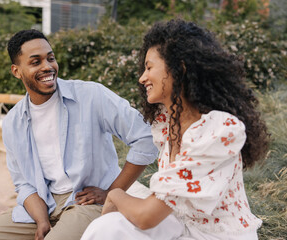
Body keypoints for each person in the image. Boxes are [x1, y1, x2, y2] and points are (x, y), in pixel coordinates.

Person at [81, 19, 269, 240]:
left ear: (179, 68)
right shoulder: (166, 123)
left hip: (215, 236)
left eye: (149, 67)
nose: (142, 78)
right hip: (180, 226)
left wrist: (114, 194)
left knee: (114, 220)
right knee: (108, 227)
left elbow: (146, 217)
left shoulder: (219, 130)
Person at [0, 29, 158, 240]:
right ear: (16, 71)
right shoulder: (13, 122)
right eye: (35, 62)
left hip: (87, 203)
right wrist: (41, 221)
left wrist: (111, 193)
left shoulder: (90, 96)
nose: (47, 67)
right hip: (44, 204)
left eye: (50, 58)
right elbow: (24, 183)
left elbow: (145, 137)